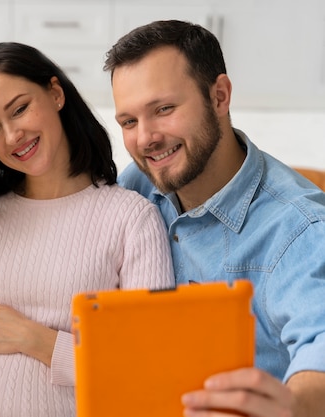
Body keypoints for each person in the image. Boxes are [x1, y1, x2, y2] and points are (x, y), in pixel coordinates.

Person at [104, 20, 325, 417]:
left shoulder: (300, 228)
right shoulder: (139, 183)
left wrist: (295, 405)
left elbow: (320, 344)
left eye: (164, 109)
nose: (145, 138)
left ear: (219, 96)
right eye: (129, 122)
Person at [0, 42, 174, 416]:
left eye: (19, 109)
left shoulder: (132, 218)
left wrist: (35, 339)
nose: (11, 136)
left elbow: (150, 366)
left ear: (55, 93)